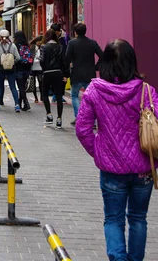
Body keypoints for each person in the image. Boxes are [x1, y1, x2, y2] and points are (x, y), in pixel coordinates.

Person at [76, 40, 158, 261]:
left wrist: (99, 152)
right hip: (144, 169)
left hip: (112, 170)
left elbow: (82, 129)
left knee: (113, 219)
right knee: (139, 218)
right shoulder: (147, 91)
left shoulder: (94, 91)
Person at [65, 22, 103, 125]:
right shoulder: (92, 43)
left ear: (76, 32)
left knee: (74, 96)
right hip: (90, 74)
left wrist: (66, 71)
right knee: (91, 98)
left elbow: (67, 58)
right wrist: (96, 67)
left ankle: (79, 118)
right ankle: (93, 121)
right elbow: (102, 55)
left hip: (76, 74)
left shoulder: (72, 43)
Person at [40, 28, 68, 129]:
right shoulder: (60, 47)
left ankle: (49, 115)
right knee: (59, 96)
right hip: (58, 73)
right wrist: (66, 74)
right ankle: (59, 119)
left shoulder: (44, 47)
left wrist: (43, 68)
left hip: (47, 73)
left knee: (45, 94)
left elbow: (42, 60)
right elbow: (64, 62)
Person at [0, 29, 21, 112]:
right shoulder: (13, 46)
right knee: (13, 86)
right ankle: (17, 104)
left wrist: (1, 61)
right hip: (11, 69)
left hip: (0, 68)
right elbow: (18, 58)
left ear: (0, 37)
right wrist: (12, 62)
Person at [13, 31, 32, 111]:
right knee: (22, 87)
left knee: (21, 87)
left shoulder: (15, 45)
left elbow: (15, 57)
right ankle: (20, 103)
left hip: (19, 68)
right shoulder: (27, 45)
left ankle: (26, 103)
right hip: (27, 68)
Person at [29, 35, 43, 103]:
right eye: (38, 41)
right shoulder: (32, 47)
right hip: (33, 67)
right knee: (33, 83)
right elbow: (30, 57)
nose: (40, 43)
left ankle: (42, 96)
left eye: (41, 41)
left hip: (40, 67)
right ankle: (35, 97)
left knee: (41, 81)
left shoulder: (43, 47)